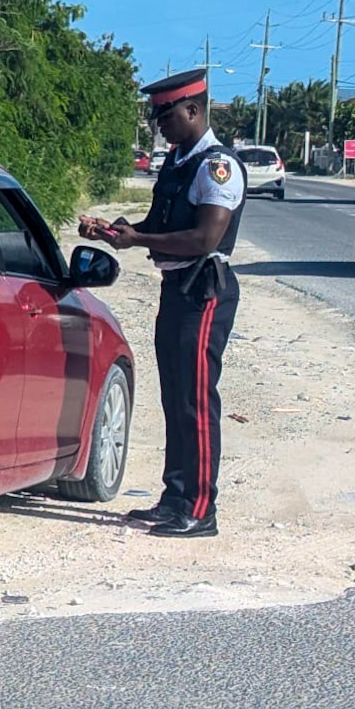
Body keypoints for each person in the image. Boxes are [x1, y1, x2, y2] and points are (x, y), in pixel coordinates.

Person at [81, 69, 246, 538]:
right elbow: (158, 224)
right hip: (175, 288)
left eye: (166, 117)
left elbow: (204, 237)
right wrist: (116, 232)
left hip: (204, 291)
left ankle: (200, 509)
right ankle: (174, 498)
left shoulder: (217, 167)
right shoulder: (178, 162)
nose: (160, 126)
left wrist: (139, 240)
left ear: (192, 110)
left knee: (196, 399)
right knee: (174, 396)